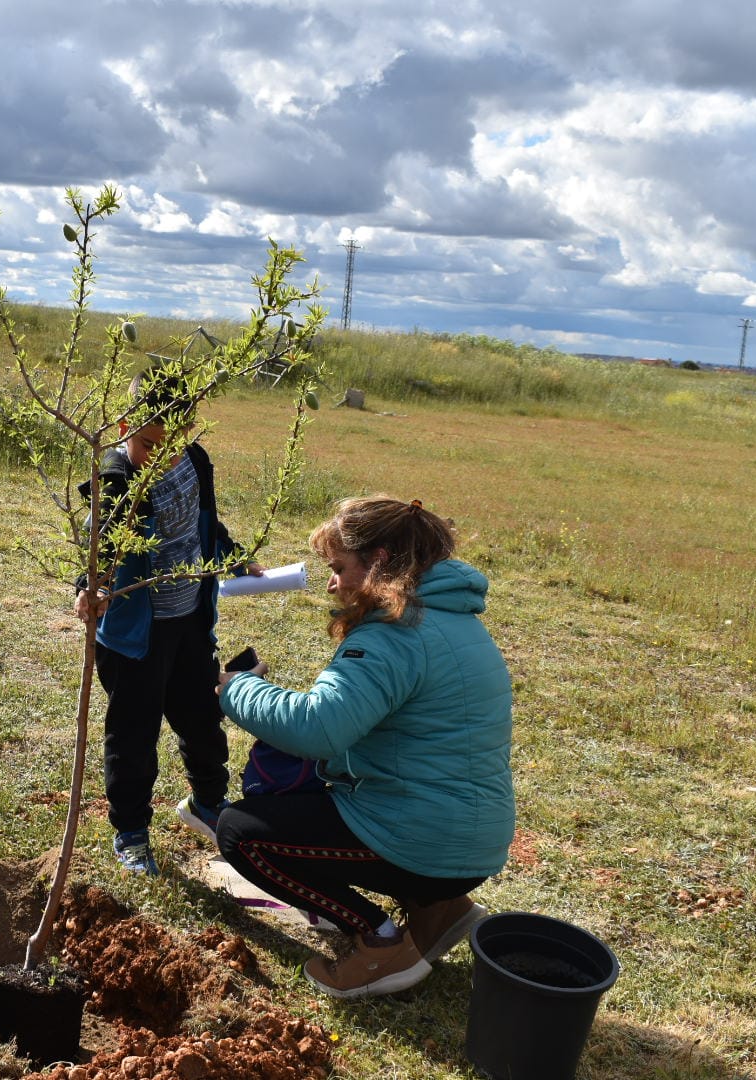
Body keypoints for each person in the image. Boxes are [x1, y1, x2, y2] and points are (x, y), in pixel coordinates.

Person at [215, 496, 514, 999]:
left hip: (429, 843)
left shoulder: (395, 636)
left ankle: (380, 943)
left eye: (338, 568)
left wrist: (235, 687)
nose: (332, 583)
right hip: (474, 839)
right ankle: (440, 910)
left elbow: (317, 729)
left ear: (377, 561)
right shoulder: (456, 620)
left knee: (242, 833)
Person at [73, 371, 264, 875]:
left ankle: (207, 804)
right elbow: (101, 554)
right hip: (137, 636)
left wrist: (234, 556)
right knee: (134, 738)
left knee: (202, 719)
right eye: (150, 444)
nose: (165, 456)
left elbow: (206, 524)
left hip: (190, 622)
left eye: (175, 444)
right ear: (125, 425)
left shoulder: (196, 461)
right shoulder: (115, 484)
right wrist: (86, 591)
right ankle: (131, 834)